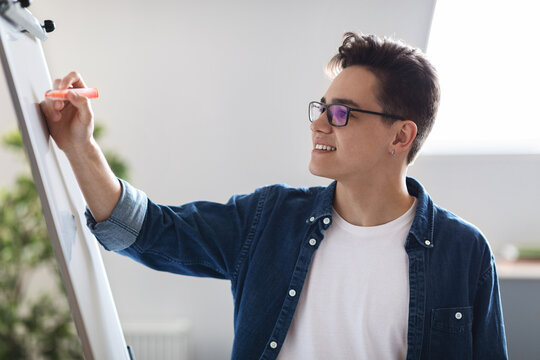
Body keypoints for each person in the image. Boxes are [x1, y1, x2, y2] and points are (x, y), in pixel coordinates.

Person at [40, 32, 508, 359]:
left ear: (400, 137)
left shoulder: (463, 252)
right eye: (322, 108)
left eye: (342, 113)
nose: (319, 123)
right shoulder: (269, 219)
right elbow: (147, 231)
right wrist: (80, 146)